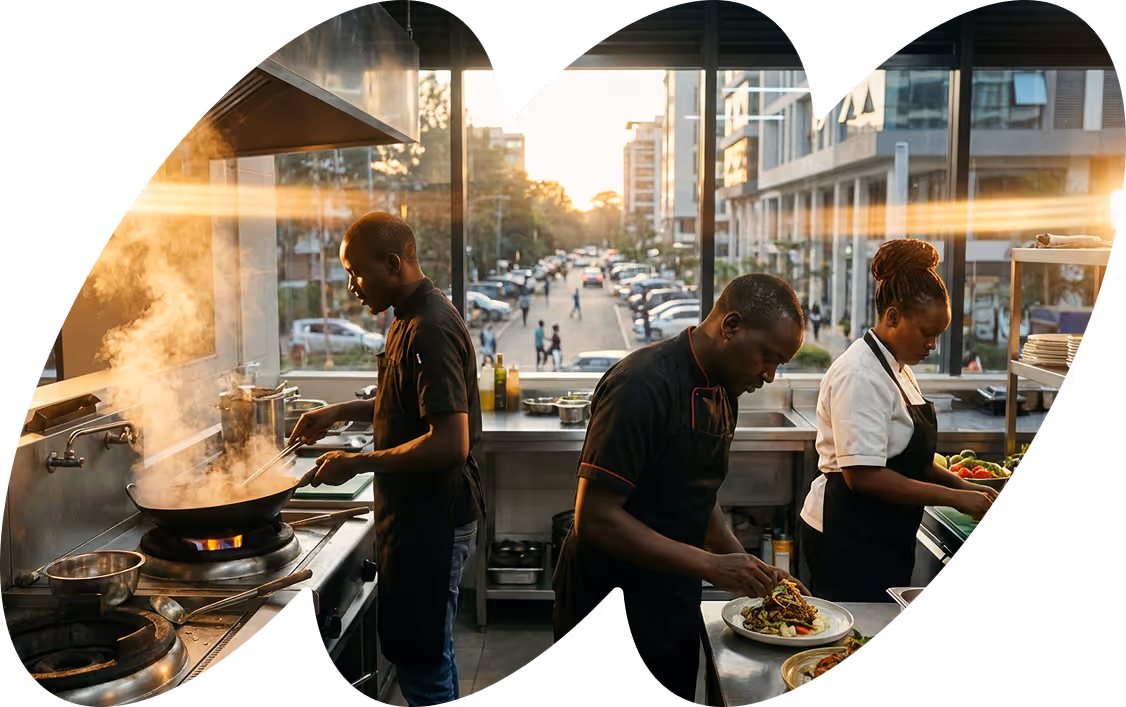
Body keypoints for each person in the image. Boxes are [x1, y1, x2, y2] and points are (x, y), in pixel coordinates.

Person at [552, 274, 808, 703]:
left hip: (670, 598)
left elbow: (695, 488)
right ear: (730, 327)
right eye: (767, 356)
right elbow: (594, 518)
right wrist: (712, 566)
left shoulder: (726, 390)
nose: (769, 375)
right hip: (608, 602)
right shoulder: (641, 385)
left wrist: (738, 560)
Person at [289, 212, 485, 707]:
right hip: (416, 517)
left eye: (356, 272)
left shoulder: (431, 327)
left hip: (434, 522)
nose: (351, 285)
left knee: (423, 661)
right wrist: (337, 412)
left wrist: (356, 464)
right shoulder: (407, 318)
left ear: (393, 263)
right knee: (429, 653)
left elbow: (449, 442)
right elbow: (401, 400)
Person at [798, 239, 998, 604]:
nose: (933, 346)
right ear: (892, 317)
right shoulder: (861, 374)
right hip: (849, 535)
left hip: (882, 530)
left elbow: (908, 461)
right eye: (927, 333)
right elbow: (863, 476)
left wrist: (967, 488)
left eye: (938, 335)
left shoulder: (898, 368)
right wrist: (954, 498)